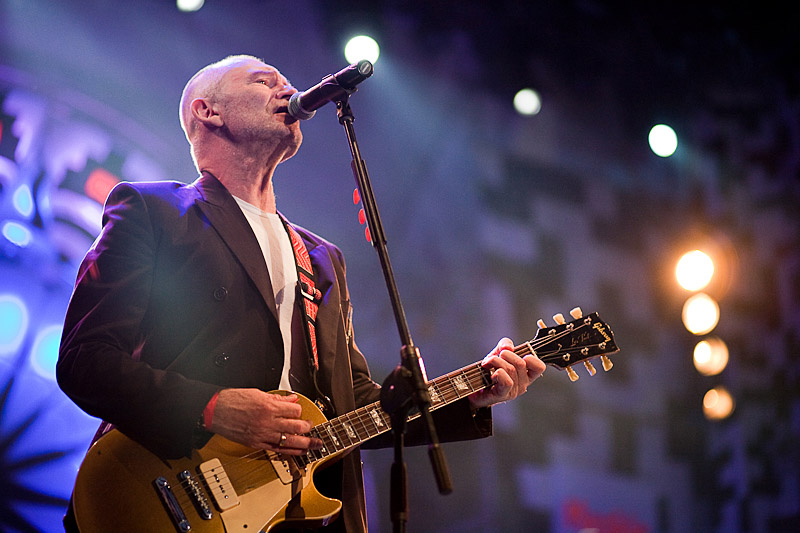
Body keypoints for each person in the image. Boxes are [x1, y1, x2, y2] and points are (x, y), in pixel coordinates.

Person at [57, 55, 546, 532]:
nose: (287, 90)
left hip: (305, 512)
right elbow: (85, 360)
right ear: (209, 112)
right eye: (264, 81)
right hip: (171, 493)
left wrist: (472, 397)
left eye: (286, 82)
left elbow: (356, 405)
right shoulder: (155, 210)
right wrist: (212, 407)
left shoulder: (321, 257)